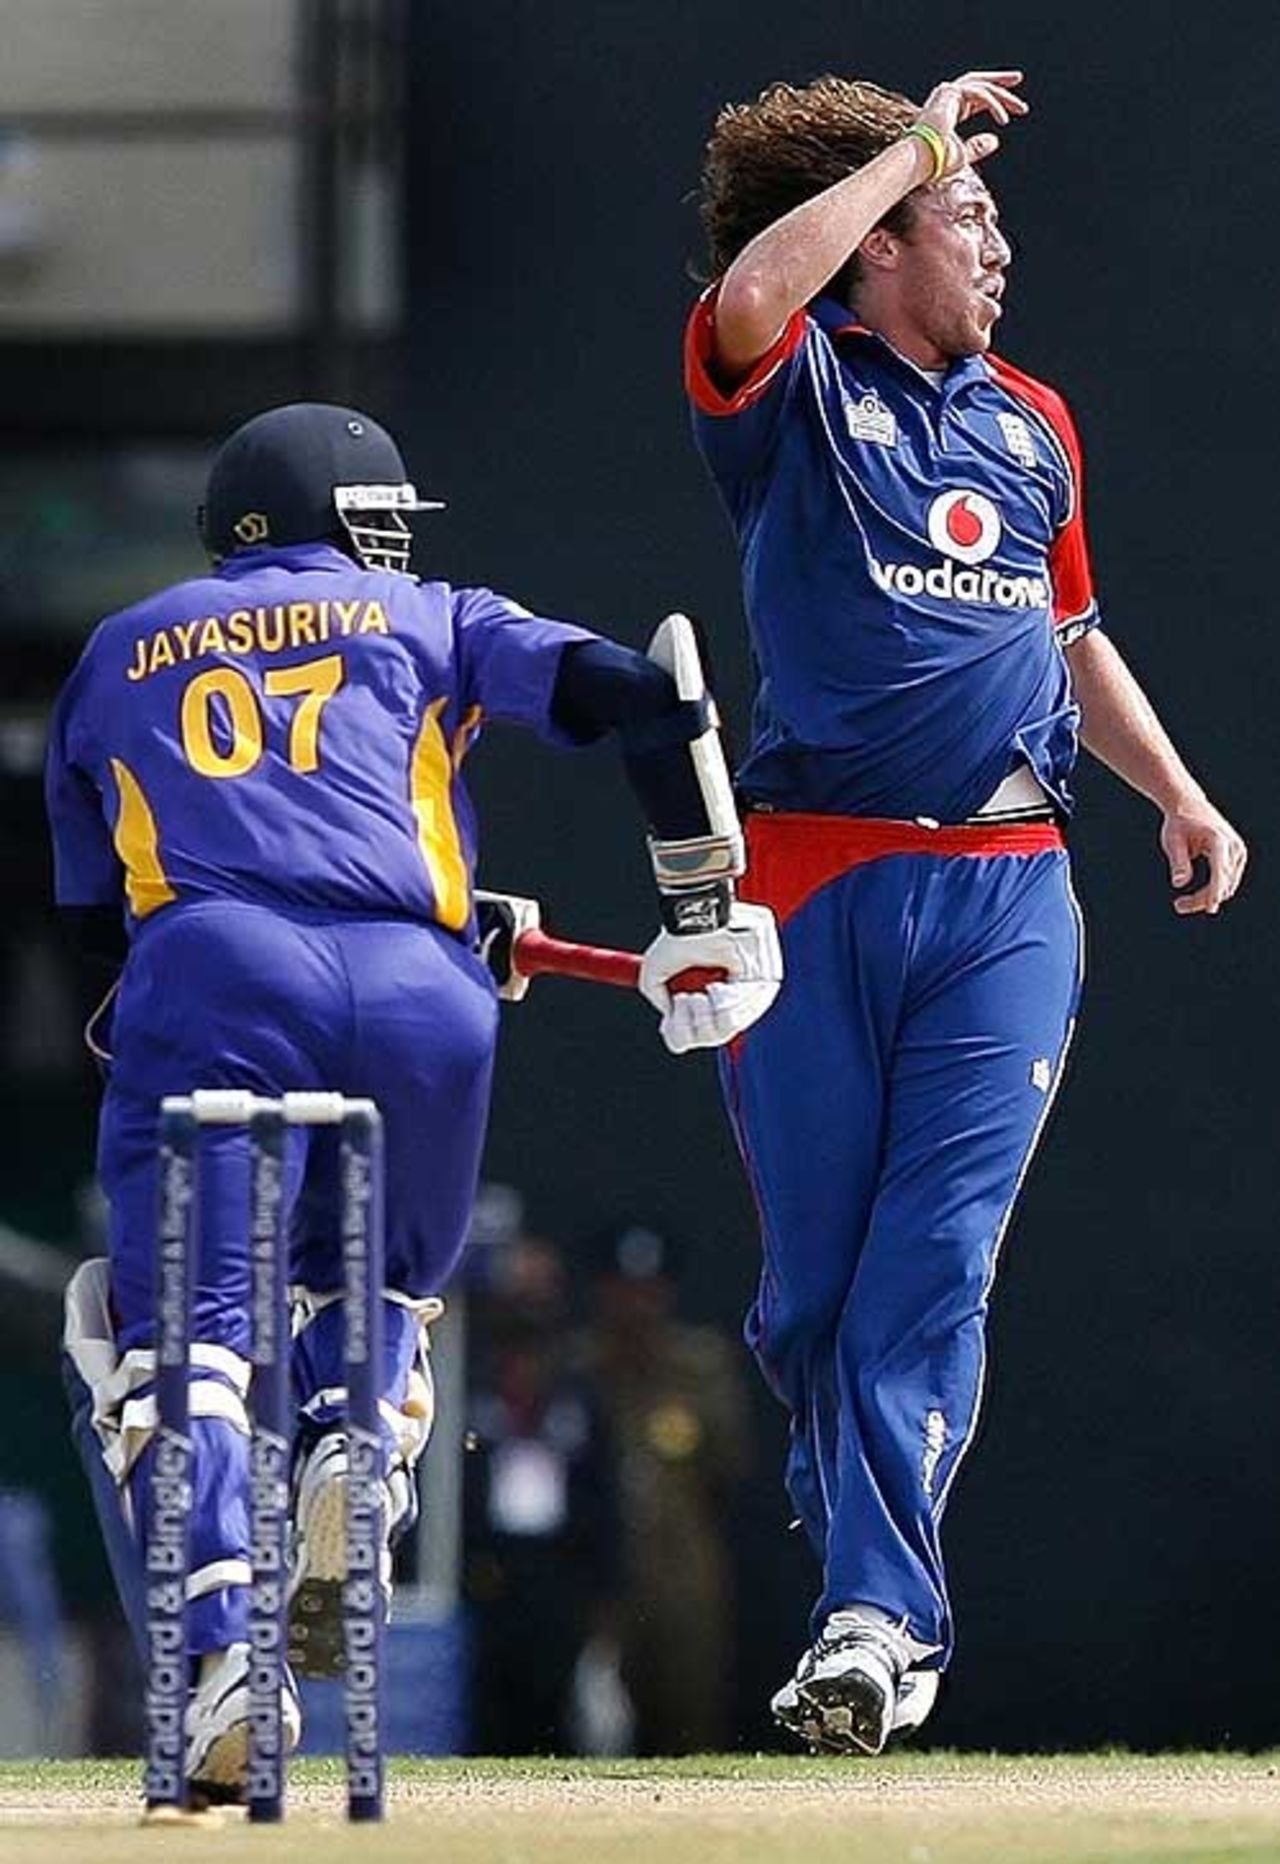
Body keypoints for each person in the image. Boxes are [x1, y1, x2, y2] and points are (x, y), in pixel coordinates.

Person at [45, 402, 781, 1799]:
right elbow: (642, 691)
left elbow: (102, 919)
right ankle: (355, 1449)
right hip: (422, 990)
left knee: (180, 1346)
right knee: (378, 1291)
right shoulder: (427, 609)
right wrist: (698, 901)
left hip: (215, 974)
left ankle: (221, 1660)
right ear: (353, 514)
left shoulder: (118, 647)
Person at [683, 69, 1247, 1755]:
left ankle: (875, 1623)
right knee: (812, 1301)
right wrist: (906, 151)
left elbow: (1070, 635)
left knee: (928, 1270)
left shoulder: (1035, 422)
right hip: (809, 872)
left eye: (989, 208)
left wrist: (1182, 792)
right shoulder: (792, 384)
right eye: (962, 214)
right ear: (877, 243)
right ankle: (865, 1558)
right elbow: (753, 294)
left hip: (1006, 889)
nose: (994, 240)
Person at [574, 1221, 750, 1754]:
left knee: (690, 1717)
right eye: (623, 1291)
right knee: (586, 1721)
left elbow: (730, 1464)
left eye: (648, 1292)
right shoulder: (578, 1366)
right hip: (592, 1572)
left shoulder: (700, 1365)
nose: (636, 1306)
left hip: (681, 1571)